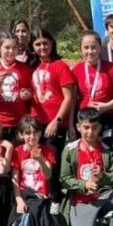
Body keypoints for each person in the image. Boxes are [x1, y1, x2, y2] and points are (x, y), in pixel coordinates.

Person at [29, 28, 76, 204]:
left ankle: (55, 201)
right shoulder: (33, 66)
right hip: (36, 123)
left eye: (45, 43)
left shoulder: (60, 66)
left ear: (52, 44)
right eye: (38, 44)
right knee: (35, 161)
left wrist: (57, 121)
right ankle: (37, 199)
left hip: (55, 124)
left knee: (51, 164)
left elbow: (69, 97)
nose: (42, 47)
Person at [3, 120, 62, 226]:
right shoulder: (18, 151)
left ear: (40, 133)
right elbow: (15, 178)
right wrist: (18, 199)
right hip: (24, 194)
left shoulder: (48, 151)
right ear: (21, 135)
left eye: (35, 132)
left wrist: (40, 160)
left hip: (41, 196)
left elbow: (48, 175)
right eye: (27, 133)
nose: (31, 137)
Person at [72, 31, 113, 143]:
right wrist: (70, 124)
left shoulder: (111, 68)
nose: (90, 51)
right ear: (80, 49)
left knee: (107, 149)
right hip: (84, 118)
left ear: (100, 48)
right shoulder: (76, 69)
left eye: (93, 47)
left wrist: (106, 106)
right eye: (86, 47)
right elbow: (72, 99)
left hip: (105, 117)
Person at [0, 32, 34, 140]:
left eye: (14, 48)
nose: (11, 51)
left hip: (20, 123)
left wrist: (28, 95)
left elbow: (32, 94)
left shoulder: (25, 69)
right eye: (7, 47)